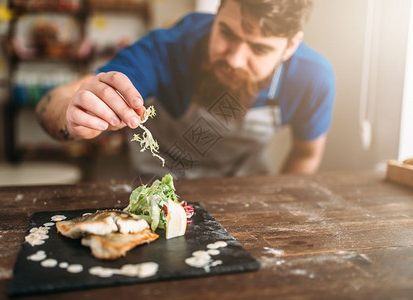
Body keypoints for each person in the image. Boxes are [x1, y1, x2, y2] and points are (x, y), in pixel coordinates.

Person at [36, 0, 335, 179]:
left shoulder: (312, 78)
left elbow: (306, 153)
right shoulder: (168, 48)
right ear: (217, 13)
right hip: (154, 186)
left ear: (290, 47)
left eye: (259, 48)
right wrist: (72, 114)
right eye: (226, 33)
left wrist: (278, 208)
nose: (234, 59)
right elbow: (51, 102)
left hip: (244, 190)